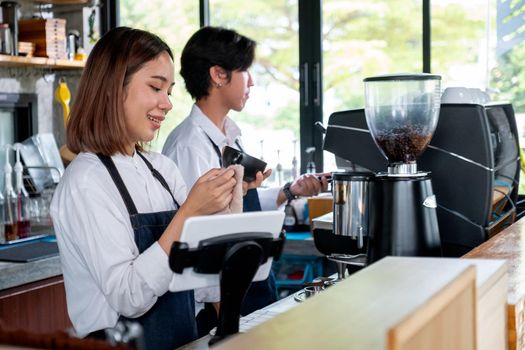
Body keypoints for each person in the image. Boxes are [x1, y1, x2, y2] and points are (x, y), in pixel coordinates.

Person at [50, 27, 237, 350]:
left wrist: (230, 201)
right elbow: (129, 296)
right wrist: (190, 211)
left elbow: (201, 271)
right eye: (155, 87)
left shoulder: (162, 169)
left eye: (169, 91)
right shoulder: (85, 181)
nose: (167, 104)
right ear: (112, 89)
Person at [162, 26, 329, 329]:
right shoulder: (189, 146)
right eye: (244, 70)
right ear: (218, 75)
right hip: (222, 304)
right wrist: (228, 318)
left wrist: (288, 192)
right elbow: (198, 240)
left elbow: (239, 207)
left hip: (247, 284)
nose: (251, 81)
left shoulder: (230, 136)